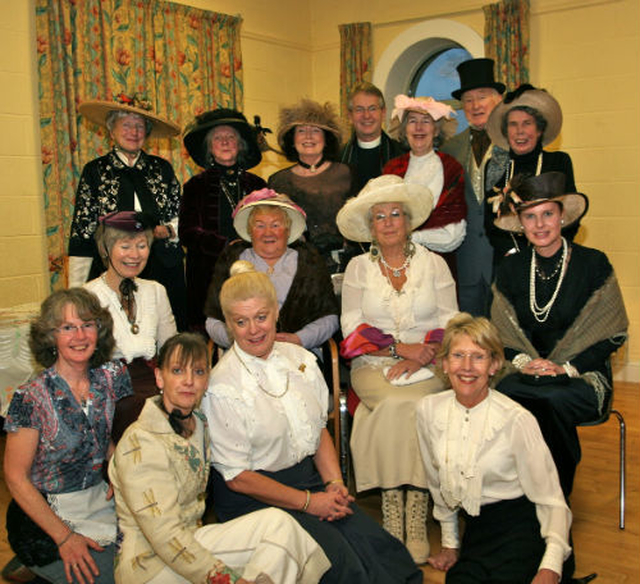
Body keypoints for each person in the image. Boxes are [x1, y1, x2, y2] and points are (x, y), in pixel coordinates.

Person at [202, 261, 422, 584]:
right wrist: (310, 503)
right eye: (241, 322)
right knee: (344, 566)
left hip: (309, 480)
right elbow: (237, 478)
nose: (254, 330)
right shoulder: (222, 386)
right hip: (255, 499)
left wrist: (333, 484)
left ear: (276, 311)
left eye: (261, 317)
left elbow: (318, 432)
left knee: (384, 552)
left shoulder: (301, 360)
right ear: (228, 325)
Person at [109, 332, 330, 584]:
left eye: (199, 372)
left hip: (192, 539)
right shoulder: (141, 441)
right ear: (159, 377)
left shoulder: (199, 423)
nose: (189, 381)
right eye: (178, 371)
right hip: (150, 565)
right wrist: (230, 580)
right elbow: (165, 537)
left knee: (281, 525)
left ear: (207, 380)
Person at [337, 175, 458, 564]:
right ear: (370, 227)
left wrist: (422, 353)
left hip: (431, 361)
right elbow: (350, 328)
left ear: (408, 221)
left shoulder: (434, 265)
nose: (388, 222)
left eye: (395, 214)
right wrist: (396, 348)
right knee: (393, 401)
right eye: (379, 217)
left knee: (414, 404)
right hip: (372, 363)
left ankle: (416, 513)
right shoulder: (357, 268)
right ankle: (393, 508)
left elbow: (451, 319)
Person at [490, 172, 628, 498]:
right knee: (508, 392)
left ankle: (552, 497)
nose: (540, 224)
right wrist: (524, 362)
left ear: (562, 215)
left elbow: (612, 334)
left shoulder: (593, 263)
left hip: (582, 376)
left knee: (549, 399)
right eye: (530, 216)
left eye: (548, 214)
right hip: (523, 372)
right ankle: (516, 498)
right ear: (520, 222)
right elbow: (497, 332)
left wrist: (565, 368)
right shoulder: (511, 268)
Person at [416, 313, 572, 583]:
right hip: (478, 529)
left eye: (478, 356)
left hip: (525, 525)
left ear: (494, 365)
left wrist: (551, 567)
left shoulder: (517, 420)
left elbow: (551, 499)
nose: (467, 367)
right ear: (444, 364)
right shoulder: (428, 410)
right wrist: (451, 543)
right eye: (457, 356)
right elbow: (437, 481)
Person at [3, 288, 132, 584]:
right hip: (47, 515)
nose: (80, 336)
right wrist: (65, 539)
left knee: (140, 563)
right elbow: (15, 477)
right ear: (51, 336)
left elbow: (104, 440)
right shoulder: (31, 397)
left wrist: (117, 469)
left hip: (100, 501)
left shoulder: (110, 377)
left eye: (87, 325)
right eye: (67, 328)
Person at [68, 94, 187, 330]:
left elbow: (182, 215)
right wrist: (76, 292)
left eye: (140, 126)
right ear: (111, 131)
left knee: (168, 334)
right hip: (112, 271)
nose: (134, 132)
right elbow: (82, 231)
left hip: (164, 270)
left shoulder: (161, 169)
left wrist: (169, 230)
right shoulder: (96, 171)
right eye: (127, 125)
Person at [204, 188, 339, 354]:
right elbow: (213, 320)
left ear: (288, 230)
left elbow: (329, 317)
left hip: (297, 352)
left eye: (276, 225)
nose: (268, 233)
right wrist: (242, 340)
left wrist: (299, 339)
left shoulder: (309, 260)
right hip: (242, 354)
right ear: (249, 231)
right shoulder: (231, 258)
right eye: (260, 225)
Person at [85, 211, 177, 442]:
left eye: (142, 245)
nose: (135, 255)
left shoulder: (156, 290)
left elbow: (170, 350)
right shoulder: (87, 296)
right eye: (125, 246)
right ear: (106, 249)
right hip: (109, 393)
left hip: (154, 383)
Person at [180, 108, 266, 332]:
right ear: (210, 147)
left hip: (254, 268)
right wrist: (225, 246)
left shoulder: (258, 185)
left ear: (240, 145)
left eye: (231, 137)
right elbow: (187, 232)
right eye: (218, 138)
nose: (225, 142)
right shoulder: (194, 186)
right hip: (207, 276)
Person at [440, 57, 505, 316]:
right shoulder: (449, 149)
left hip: (504, 263)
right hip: (465, 263)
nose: (475, 105)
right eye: (468, 99)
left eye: (482, 96)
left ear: (498, 99)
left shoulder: (515, 144)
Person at [485, 84, 578, 262]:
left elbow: (571, 214)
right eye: (513, 124)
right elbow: (489, 221)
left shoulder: (558, 161)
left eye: (527, 123)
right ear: (506, 131)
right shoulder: (495, 166)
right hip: (508, 261)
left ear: (539, 129)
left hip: (553, 256)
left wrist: (552, 252)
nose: (520, 131)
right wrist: (512, 253)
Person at [383, 95, 466, 279]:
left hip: (437, 267)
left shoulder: (451, 169)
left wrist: (407, 236)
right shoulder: (391, 169)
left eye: (426, 121)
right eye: (412, 121)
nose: (419, 127)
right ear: (405, 130)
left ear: (436, 130)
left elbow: (452, 236)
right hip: (396, 266)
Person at [268, 99, 355, 272]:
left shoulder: (347, 173)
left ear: (326, 138)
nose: (308, 136)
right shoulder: (277, 181)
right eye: (301, 130)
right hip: (295, 268)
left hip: (343, 267)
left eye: (315, 130)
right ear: (292, 140)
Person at [340, 82, 407, 192]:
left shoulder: (402, 156)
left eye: (372, 109)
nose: (366, 116)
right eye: (359, 109)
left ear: (383, 113)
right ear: (350, 116)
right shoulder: (338, 159)